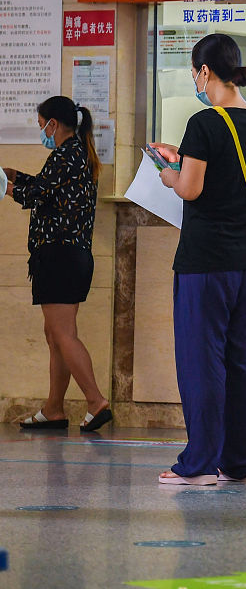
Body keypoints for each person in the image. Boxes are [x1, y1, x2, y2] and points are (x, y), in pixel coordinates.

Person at [151, 33, 246, 486]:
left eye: (194, 72)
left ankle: (198, 463)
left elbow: (191, 189)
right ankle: (240, 462)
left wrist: (169, 172)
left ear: (204, 71)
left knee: (203, 361)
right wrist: (185, 160)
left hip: (205, 262)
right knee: (242, 361)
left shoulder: (204, 122)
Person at [6, 96, 110, 433]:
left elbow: (35, 195)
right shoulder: (73, 154)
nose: (42, 132)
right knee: (54, 335)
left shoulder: (67, 154)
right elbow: (44, 188)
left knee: (63, 334)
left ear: (54, 123)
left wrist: (6, 187)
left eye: (41, 125)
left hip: (59, 255)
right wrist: (14, 175)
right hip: (68, 255)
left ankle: (95, 402)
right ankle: (54, 409)